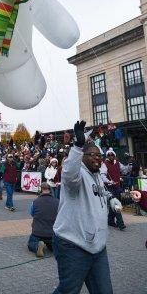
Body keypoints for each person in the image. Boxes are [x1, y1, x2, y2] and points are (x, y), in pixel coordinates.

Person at [52, 120, 122, 294]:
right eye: (93, 155)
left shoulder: (97, 174)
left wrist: (111, 198)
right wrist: (77, 146)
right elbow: (68, 174)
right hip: (74, 245)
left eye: (100, 156)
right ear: (82, 158)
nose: (98, 159)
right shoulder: (77, 174)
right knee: (68, 290)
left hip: (98, 247)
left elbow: (99, 191)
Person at [28, 182, 59, 257]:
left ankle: (37, 246)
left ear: (41, 190)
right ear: (50, 190)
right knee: (54, 244)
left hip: (37, 232)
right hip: (52, 233)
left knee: (31, 244)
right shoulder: (57, 202)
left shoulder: (35, 202)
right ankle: (53, 247)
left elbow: (32, 214)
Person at [100, 148, 129, 230]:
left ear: (114, 155)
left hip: (118, 187)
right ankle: (121, 223)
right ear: (107, 156)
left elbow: (125, 171)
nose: (110, 156)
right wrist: (108, 181)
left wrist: (129, 164)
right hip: (110, 188)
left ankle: (110, 221)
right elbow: (102, 175)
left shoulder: (118, 163)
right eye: (109, 155)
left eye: (112, 154)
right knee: (116, 205)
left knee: (115, 204)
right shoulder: (104, 164)